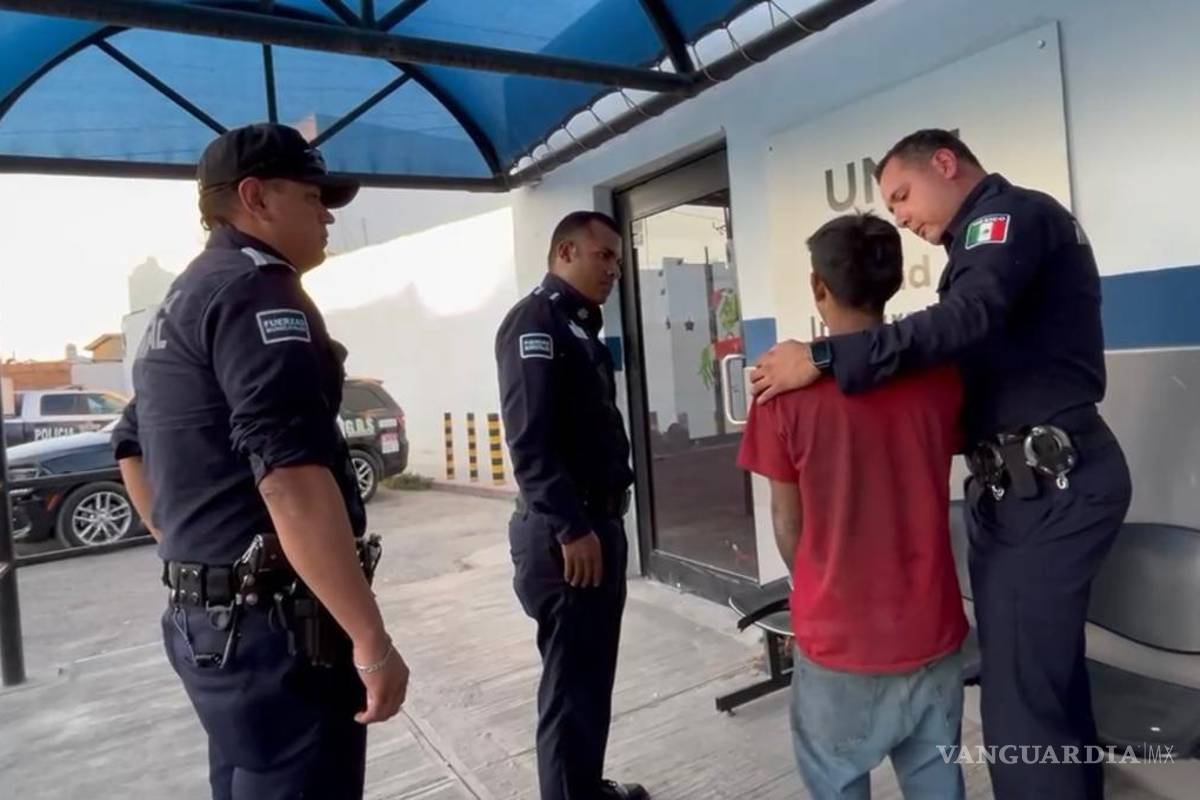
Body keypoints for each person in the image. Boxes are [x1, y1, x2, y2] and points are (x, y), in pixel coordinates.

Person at [750, 129, 1132, 800]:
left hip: (1047, 486)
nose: (900, 213)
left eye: (902, 193)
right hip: (1025, 489)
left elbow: (970, 315)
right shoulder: (977, 263)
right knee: (1045, 688)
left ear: (947, 164)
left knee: (1021, 706)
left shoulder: (1003, 219)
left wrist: (826, 359)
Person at [112, 122, 409, 800]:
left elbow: (130, 443)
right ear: (255, 197)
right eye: (311, 195)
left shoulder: (182, 299)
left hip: (212, 629)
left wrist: (189, 548)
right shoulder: (259, 291)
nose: (327, 212)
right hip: (277, 634)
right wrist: (371, 642)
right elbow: (291, 481)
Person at [738, 212, 968, 800]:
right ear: (892, 282)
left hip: (839, 639)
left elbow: (788, 522)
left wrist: (810, 592)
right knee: (937, 783)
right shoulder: (941, 378)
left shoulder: (780, 395)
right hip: (931, 631)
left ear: (819, 287)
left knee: (837, 785)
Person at [495, 211, 648, 800]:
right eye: (601, 255)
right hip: (569, 533)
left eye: (616, 258)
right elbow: (530, 441)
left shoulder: (579, 326)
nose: (613, 268)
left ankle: (583, 787)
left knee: (589, 679)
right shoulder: (535, 323)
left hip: (595, 522)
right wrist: (571, 526)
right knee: (569, 686)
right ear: (564, 252)